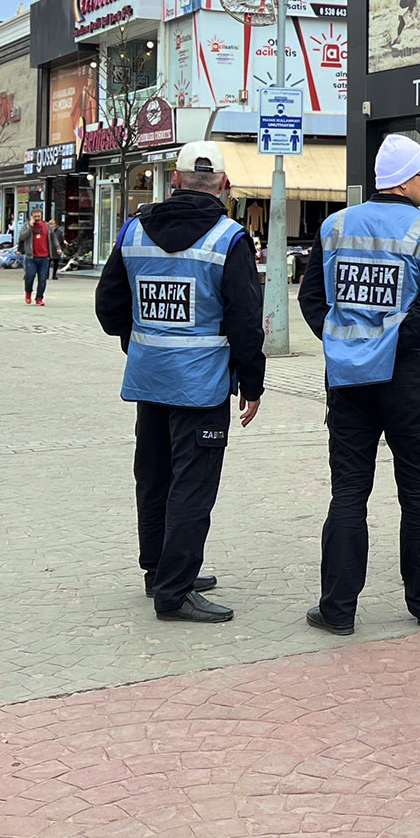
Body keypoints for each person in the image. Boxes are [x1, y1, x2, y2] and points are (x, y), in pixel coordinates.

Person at [95, 141, 265, 624]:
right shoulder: (229, 239)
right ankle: (175, 591)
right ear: (225, 186)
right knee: (192, 485)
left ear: (175, 179)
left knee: (153, 477)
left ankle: (159, 571)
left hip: (149, 379)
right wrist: (252, 383)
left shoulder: (133, 231)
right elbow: (246, 320)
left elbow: (108, 307)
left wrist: (141, 338)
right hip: (202, 386)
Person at [297, 133, 420, 636]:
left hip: (349, 378)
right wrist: (388, 346)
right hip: (410, 376)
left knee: (348, 492)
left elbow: (312, 299)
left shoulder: (334, 225)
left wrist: (345, 342)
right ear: (406, 180)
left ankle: (338, 609)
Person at [22, 210, 53, 306]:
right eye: (35, 216)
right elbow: (22, 237)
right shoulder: (27, 225)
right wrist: (30, 227)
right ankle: (28, 293)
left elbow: (53, 238)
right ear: (31, 216)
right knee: (29, 276)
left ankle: (39, 298)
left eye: (38, 216)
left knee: (43, 279)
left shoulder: (46, 226)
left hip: (44, 256)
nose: (37, 218)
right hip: (31, 257)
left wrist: (58, 248)